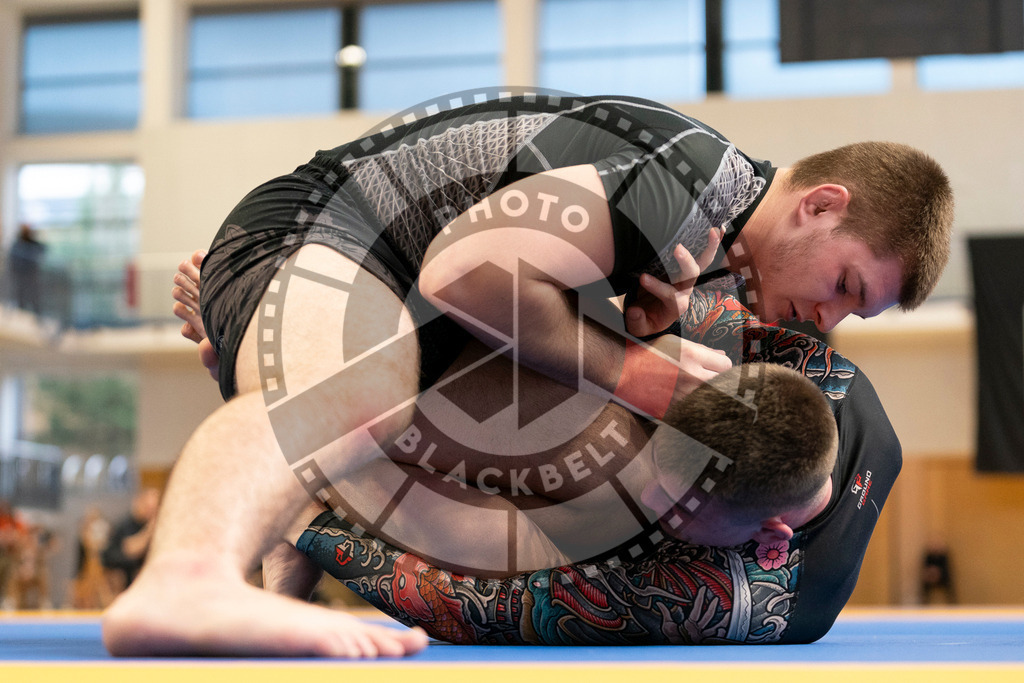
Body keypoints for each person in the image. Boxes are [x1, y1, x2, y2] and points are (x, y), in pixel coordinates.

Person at [107, 90, 950, 657]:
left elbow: (513, 316)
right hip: (340, 237)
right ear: (822, 203)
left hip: (409, 300)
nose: (826, 319)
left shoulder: (717, 261)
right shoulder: (686, 184)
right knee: (373, 388)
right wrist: (636, 370)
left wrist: (624, 341)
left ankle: (264, 426)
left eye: (851, 314)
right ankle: (187, 571)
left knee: (530, 423)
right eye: (844, 286)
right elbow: (458, 277)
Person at [293, 284, 900, 645]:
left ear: (771, 537)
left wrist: (304, 521)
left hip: (566, 547)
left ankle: (312, 443)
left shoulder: (756, 602)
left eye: (680, 508)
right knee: (610, 360)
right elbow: (627, 308)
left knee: (560, 522)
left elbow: (476, 609)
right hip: (427, 373)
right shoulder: (831, 378)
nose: (658, 504)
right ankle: (333, 375)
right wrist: (650, 352)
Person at [102, 488, 160, 589]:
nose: (151, 513)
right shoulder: (124, 525)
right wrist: (148, 532)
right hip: (126, 583)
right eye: (148, 508)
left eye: (154, 509)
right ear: (139, 503)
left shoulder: (157, 527)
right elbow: (125, 551)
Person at [5, 223, 46, 314]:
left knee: (35, 301)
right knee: (21, 301)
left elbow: (43, 249)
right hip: (21, 279)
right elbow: (13, 261)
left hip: (32, 278)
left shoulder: (33, 244)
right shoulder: (17, 245)